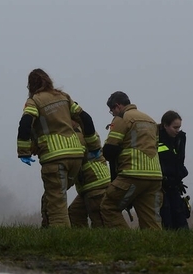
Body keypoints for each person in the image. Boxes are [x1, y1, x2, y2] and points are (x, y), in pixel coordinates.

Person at [16, 68, 98, 227]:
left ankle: (63, 242)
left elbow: (26, 123)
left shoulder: (35, 101)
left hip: (55, 157)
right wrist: (94, 145)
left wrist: (23, 152)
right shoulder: (63, 97)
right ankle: (49, 231)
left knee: (57, 203)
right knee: (55, 197)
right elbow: (85, 118)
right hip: (75, 156)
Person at [100, 91, 163, 229]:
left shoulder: (122, 117)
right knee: (150, 217)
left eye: (112, 111)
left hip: (132, 174)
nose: (113, 114)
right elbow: (155, 146)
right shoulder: (150, 120)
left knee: (108, 206)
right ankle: (154, 247)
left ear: (117, 106)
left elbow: (110, 149)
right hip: (154, 176)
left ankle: (125, 243)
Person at [68, 122, 112, 228]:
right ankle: (82, 240)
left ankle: (103, 241)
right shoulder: (83, 130)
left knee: (98, 218)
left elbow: (77, 155)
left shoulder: (79, 133)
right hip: (88, 185)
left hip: (95, 182)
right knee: (75, 212)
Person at [157, 110, 190, 230]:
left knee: (181, 218)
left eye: (179, 127)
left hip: (175, 185)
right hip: (161, 186)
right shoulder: (156, 140)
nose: (177, 130)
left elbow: (179, 162)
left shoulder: (180, 139)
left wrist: (178, 179)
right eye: (175, 127)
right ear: (165, 125)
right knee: (166, 218)